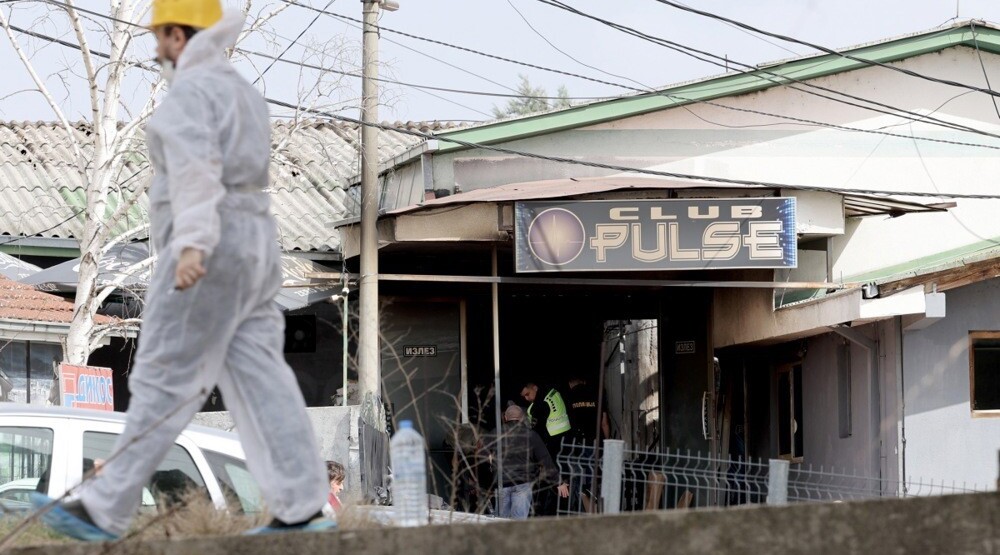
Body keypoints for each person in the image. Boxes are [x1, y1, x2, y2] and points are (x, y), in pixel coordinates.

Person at [31, 0, 330, 541]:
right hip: (255, 244)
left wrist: (192, 245)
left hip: (207, 246)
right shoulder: (240, 91)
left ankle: (103, 508)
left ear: (176, 34)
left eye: (159, 36)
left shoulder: (192, 93)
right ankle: (302, 506)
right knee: (262, 381)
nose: (156, 47)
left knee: (163, 377)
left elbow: (197, 170)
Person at [483, 404, 568, 519]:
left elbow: (481, 453)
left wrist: (490, 467)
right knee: (518, 522)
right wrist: (558, 482)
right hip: (523, 483)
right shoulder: (531, 435)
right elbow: (545, 459)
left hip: (502, 482)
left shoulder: (495, 433)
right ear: (522, 418)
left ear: (505, 417)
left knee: (500, 523)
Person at [564, 376, 610, 513]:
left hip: (576, 444)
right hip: (595, 442)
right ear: (583, 381)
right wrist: (607, 443)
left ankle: (584, 511)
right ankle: (596, 511)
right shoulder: (596, 394)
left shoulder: (568, 397)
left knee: (578, 482)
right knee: (594, 481)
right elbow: (604, 423)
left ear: (570, 383)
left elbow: (566, 423)